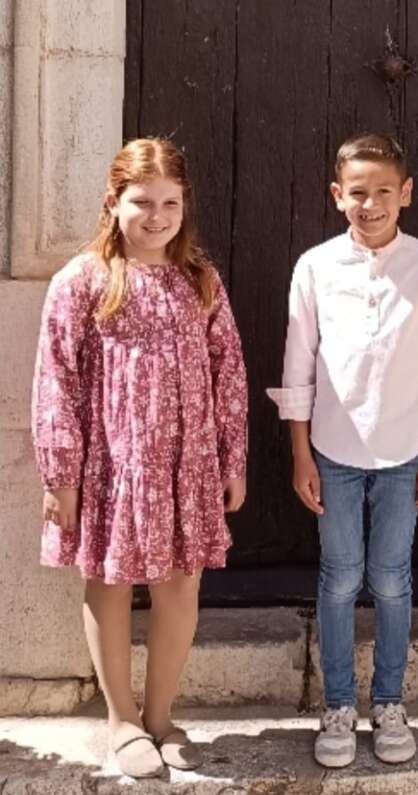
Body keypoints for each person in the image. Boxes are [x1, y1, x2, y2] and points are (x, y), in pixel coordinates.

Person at [31, 137, 248, 778]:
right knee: (111, 582)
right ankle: (121, 720)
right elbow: (56, 378)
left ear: (185, 206)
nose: (157, 217)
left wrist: (231, 459)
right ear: (113, 202)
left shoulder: (200, 280)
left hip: (187, 465)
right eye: (142, 202)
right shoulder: (83, 281)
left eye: (169, 203)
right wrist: (61, 474)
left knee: (181, 585)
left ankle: (160, 716)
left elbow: (228, 372)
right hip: (113, 467)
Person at [266, 133, 418, 769]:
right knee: (340, 577)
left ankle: (388, 702)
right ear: (337, 195)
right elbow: (298, 362)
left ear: (406, 193)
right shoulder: (316, 267)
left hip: (404, 451)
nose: (371, 204)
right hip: (332, 450)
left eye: (384, 191)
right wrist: (301, 454)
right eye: (358, 192)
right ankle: (336, 706)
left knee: (390, 578)